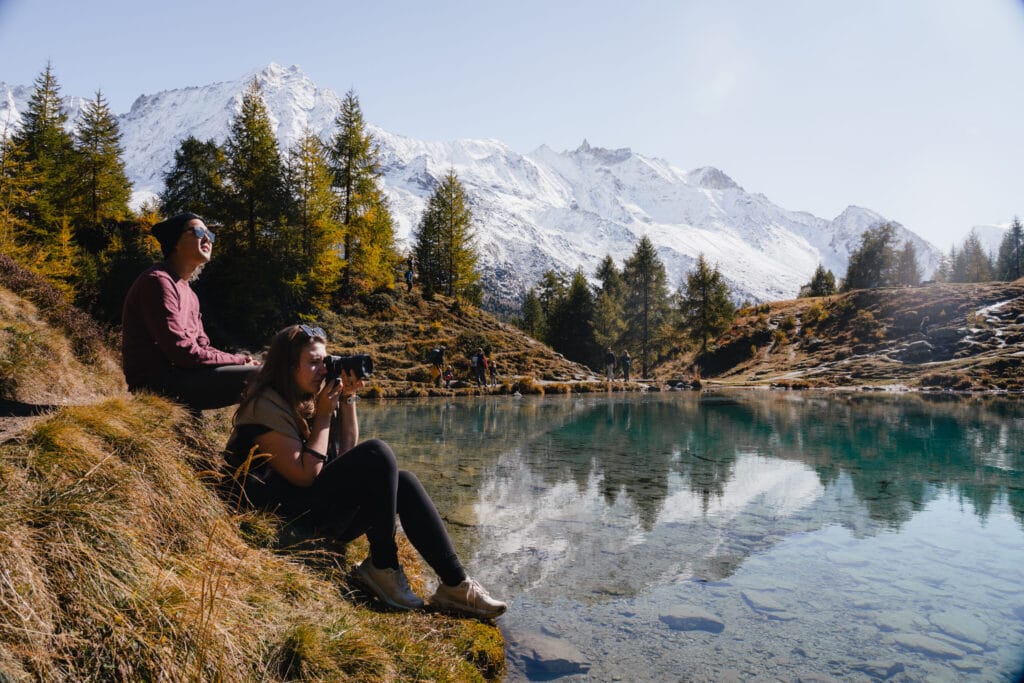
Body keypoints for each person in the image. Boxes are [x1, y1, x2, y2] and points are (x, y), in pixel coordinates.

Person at [223, 324, 506, 618]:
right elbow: (305, 474)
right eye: (314, 362)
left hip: (302, 506)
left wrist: (346, 400)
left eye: (325, 360)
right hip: (282, 525)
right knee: (378, 453)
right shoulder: (265, 405)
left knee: (404, 482)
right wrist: (322, 415)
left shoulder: (305, 397)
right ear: (287, 365)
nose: (324, 369)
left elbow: (345, 452)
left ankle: (455, 584)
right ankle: (382, 566)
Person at [121, 212, 259, 411]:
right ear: (175, 242)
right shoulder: (158, 281)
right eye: (198, 231)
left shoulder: (190, 294)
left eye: (210, 235)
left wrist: (244, 361)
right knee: (262, 377)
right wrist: (240, 361)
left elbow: (203, 347)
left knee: (264, 374)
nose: (207, 238)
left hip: (184, 376)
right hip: (156, 386)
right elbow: (183, 353)